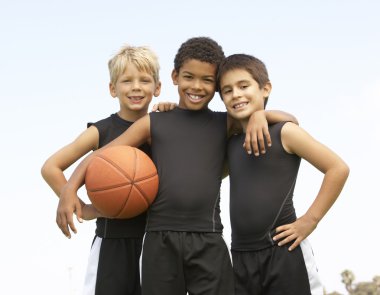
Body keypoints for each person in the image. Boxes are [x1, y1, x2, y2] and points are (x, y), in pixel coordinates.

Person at [57, 37, 297, 295]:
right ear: (174, 76)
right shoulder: (154, 122)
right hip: (159, 240)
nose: (197, 86)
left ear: (216, 85)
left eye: (207, 80)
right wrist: (70, 189)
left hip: (209, 239)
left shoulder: (224, 123)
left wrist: (260, 114)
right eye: (189, 77)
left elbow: (291, 120)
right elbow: (102, 155)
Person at [41, 44, 175, 295]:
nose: (136, 87)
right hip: (113, 242)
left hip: (158, 240)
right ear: (113, 89)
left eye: (145, 80)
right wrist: (83, 206)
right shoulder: (101, 130)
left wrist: (171, 111)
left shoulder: (166, 127)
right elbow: (51, 167)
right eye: (127, 81)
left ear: (157, 88)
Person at [217, 53, 350, 295]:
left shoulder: (285, 133)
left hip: (284, 251)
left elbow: (338, 168)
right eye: (227, 90)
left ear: (265, 88)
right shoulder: (231, 143)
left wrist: (309, 221)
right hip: (240, 258)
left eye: (243, 86)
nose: (236, 94)